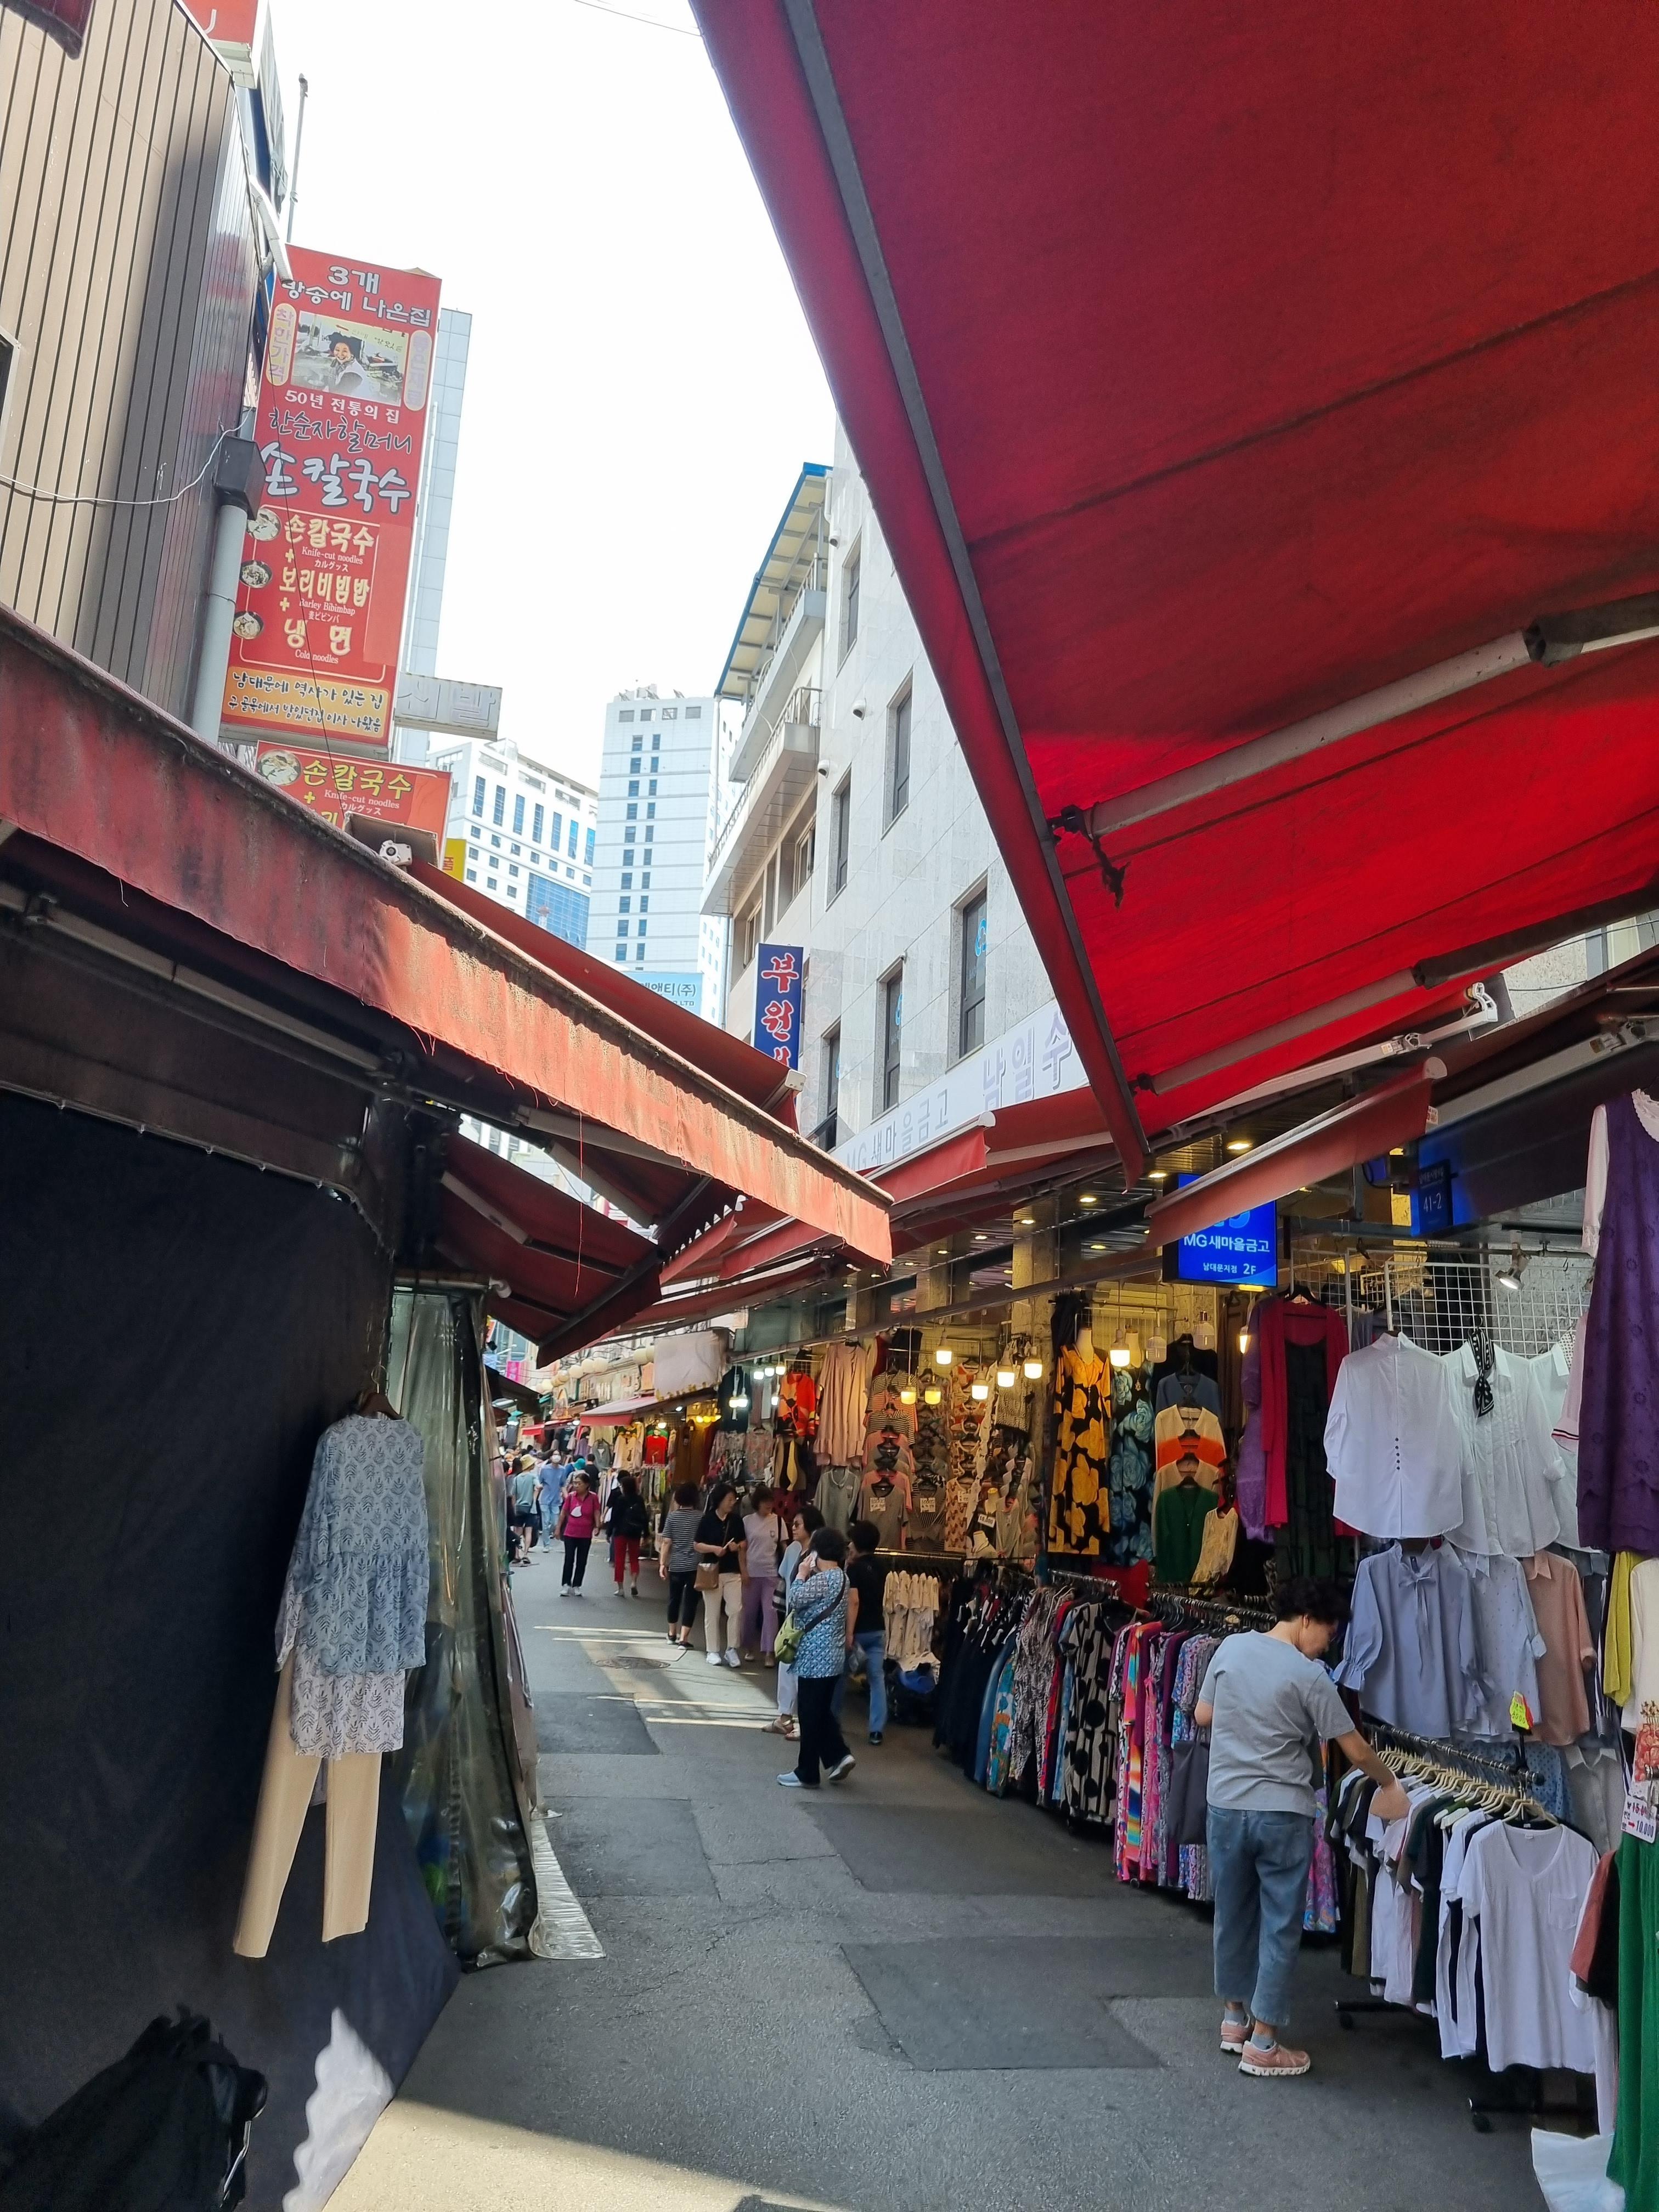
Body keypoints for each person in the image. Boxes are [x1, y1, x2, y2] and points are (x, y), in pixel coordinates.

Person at [1193, 1575, 1409, 2078]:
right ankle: (1264, 2043)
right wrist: (1389, 1784)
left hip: (1225, 1804)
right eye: (1328, 1634)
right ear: (1308, 1619)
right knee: (1278, 1924)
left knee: (1232, 1914)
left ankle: (1233, 2020)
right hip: (1281, 1812)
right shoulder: (1310, 1677)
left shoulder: (1230, 1648)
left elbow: (1203, 1715)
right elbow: (1354, 1749)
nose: (1327, 1646)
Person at [778, 1526, 856, 1789]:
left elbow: (795, 1599)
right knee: (821, 1712)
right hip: (833, 1658)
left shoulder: (822, 1580)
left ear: (816, 1551)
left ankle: (807, 1772)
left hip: (814, 1658)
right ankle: (839, 1755)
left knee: (810, 1715)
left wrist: (802, 1574)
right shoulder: (842, 1577)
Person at [766, 1504, 822, 1737]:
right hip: (793, 1618)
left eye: (798, 1524)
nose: (794, 1528)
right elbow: (785, 1579)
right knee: (786, 1664)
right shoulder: (794, 1550)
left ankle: (804, 1722)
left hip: (809, 1622)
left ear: (810, 1527)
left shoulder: (818, 1556)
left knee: (803, 1672)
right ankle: (785, 1717)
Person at [836, 1519, 889, 1745]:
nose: (849, 1545)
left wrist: (849, 1633)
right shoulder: (883, 1567)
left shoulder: (855, 1570)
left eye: (852, 1542)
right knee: (877, 1679)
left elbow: (854, 1601)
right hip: (878, 1629)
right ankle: (876, 1730)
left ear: (858, 1543)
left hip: (858, 1631)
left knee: (841, 1676)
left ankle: (833, 1721)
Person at [694, 1482, 747, 1668]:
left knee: (735, 1609)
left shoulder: (737, 1520)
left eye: (734, 1499)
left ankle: (732, 1648)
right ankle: (712, 1651)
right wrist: (714, 1549)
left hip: (733, 1571)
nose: (733, 1503)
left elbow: (744, 1543)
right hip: (712, 1571)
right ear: (720, 1500)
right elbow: (697, 1545)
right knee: (712, 1612)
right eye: (729, 1499)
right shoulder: (707, 1519)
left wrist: (737, 1546)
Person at [740, 1483, 787, 1663]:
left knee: (771, 1612)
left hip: (771, 1573)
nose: (769, 1505)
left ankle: (769, 1652)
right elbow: (742, 1549)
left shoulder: (779, 1521)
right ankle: (749, 1647)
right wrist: (743, 1571)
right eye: (765, 1502)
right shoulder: (747, 1522)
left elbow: (784, 1547)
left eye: (771, 1502)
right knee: (749, 1613)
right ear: (757, 1503)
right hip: (751, 1574)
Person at [658, 1481, 704, 1648]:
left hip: (677, 1565)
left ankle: (672, 1633)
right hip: (695, 1566)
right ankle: (684, 1639)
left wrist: (663, 1564)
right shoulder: (701, 1517)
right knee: (691, 1602)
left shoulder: (672, 1517)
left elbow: (666, 1542)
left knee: (674, 1599)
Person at [603, 1472, 650, 1598]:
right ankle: (634, 1582)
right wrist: (646, 1534)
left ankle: (621, 1589)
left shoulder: (621, 1500)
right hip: (635, 1532)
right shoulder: (639, 1499)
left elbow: (614, 1517)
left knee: (619, 1559)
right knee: (634, 1558)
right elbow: (644, 1517)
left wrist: (609, 1532)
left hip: (620, 1532)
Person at [555, 1469, 599, 1596]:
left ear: (587, 1485)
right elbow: (564, 1513)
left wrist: (597, 1525)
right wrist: (558, 1528)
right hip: (570, 1533)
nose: (576, 1486)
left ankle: (577, 1585)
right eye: (575, 1483)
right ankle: (566, 1584)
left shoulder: (593, 1497)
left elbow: (596, 1512)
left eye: (579, 1483)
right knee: (569, 1559)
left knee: (582, 1560)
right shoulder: (571, 1497)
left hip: (585, 1534)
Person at [507, 1458, 540, 1563]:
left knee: (518, 1532)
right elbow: (539, 1486)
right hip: (530, 1508)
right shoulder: (533, 1476)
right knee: (528, 1531)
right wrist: (535, 1495)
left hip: (519, 1508)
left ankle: (517, 1554)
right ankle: (525, 1554)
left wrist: (514, 1508)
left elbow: (513, 1495)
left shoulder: (517, 1478)